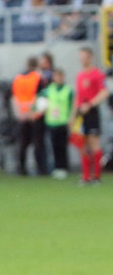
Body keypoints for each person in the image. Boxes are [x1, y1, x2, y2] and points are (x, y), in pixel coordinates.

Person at [73, 46, 107, 185]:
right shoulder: (80, 75)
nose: (81, 59)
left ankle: (97, 176)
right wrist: (73, 116)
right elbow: (78, 97)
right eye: (80, 56)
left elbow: (104, 92)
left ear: (90, 57)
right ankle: (86, 176)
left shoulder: (97, 74)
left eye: (84, 56)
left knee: (94, 143)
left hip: (92, 112)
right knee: (83, 144)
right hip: (81, 114)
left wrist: (90, 104)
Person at [11, 56, 48, 176]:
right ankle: (41, 169)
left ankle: (21, 169)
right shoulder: (38, 78)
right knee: (38, 143)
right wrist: (33, 111)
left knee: (23, 144)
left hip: (21, 114)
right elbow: (40, 96)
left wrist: (19, 113)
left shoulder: (18, 78)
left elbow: (15, 97)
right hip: (35, 115)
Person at [42, 67, 74, 178]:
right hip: (51, 121)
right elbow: (41, 101)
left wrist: (71, 118)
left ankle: (64, 167)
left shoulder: (68, 90)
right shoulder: (48, 89)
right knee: (54, 146)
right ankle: (56, 167)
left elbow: (73, 105)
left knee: (63, 146)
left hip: (63, 121)